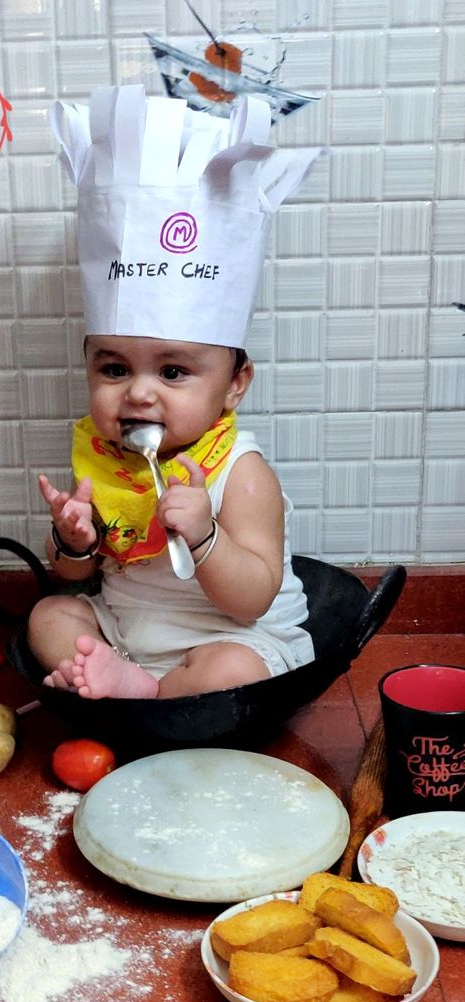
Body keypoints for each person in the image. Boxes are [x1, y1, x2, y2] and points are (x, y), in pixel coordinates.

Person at [26, 85, 323, 701]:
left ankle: (137, 694)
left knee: (231, 672)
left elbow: (253, 597)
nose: (139, 394)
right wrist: (74, 541)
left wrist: (207, 535)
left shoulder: (240, 473)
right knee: (49, 617)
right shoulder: (107, 461)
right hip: (127, 631)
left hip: (224, 636)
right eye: (113, 370)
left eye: (173, 372)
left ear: (235, 385)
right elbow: (76, 576)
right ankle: (129, 681)